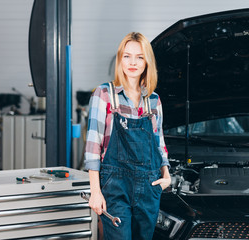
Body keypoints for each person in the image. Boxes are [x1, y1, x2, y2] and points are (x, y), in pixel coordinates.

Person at [84, 32, 171, 240]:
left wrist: (167, 176)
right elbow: (93, 145)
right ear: (120, 59)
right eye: (127, 56)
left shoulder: (154, 100)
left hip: (149, 185)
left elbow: (159, 143)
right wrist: (95, 192)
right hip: (115, 185)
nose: (133, 62)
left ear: (147, 62)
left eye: (139, 57)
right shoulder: (104, 94)